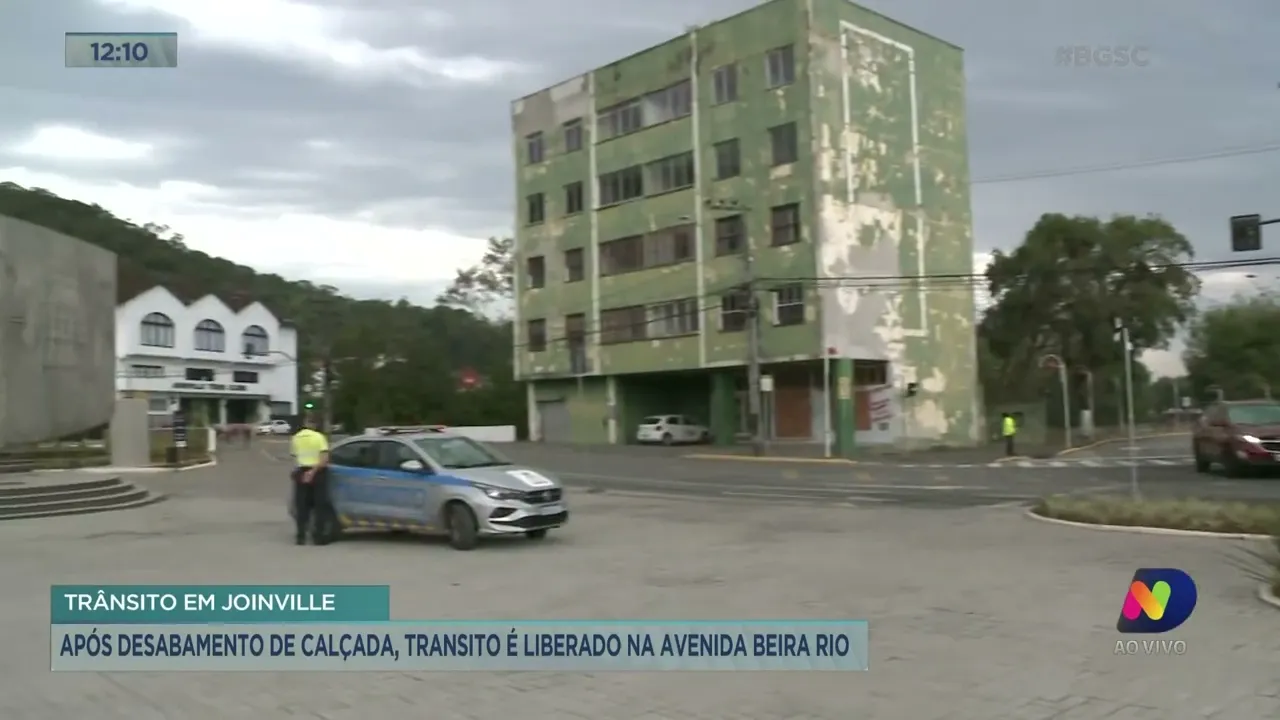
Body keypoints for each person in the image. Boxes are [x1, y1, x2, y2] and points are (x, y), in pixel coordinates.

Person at [290, 415, 334, 545]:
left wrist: (303, 472)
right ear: (315, 425)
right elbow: (324, 459)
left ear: (305, 423)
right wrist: (312, 472)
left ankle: (300, 537)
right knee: (319, 506)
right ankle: (318, 537)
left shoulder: (296, 438)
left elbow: (295, 457)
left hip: (301, 472)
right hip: (318, 473)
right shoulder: (319, 437)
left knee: (301, 506)